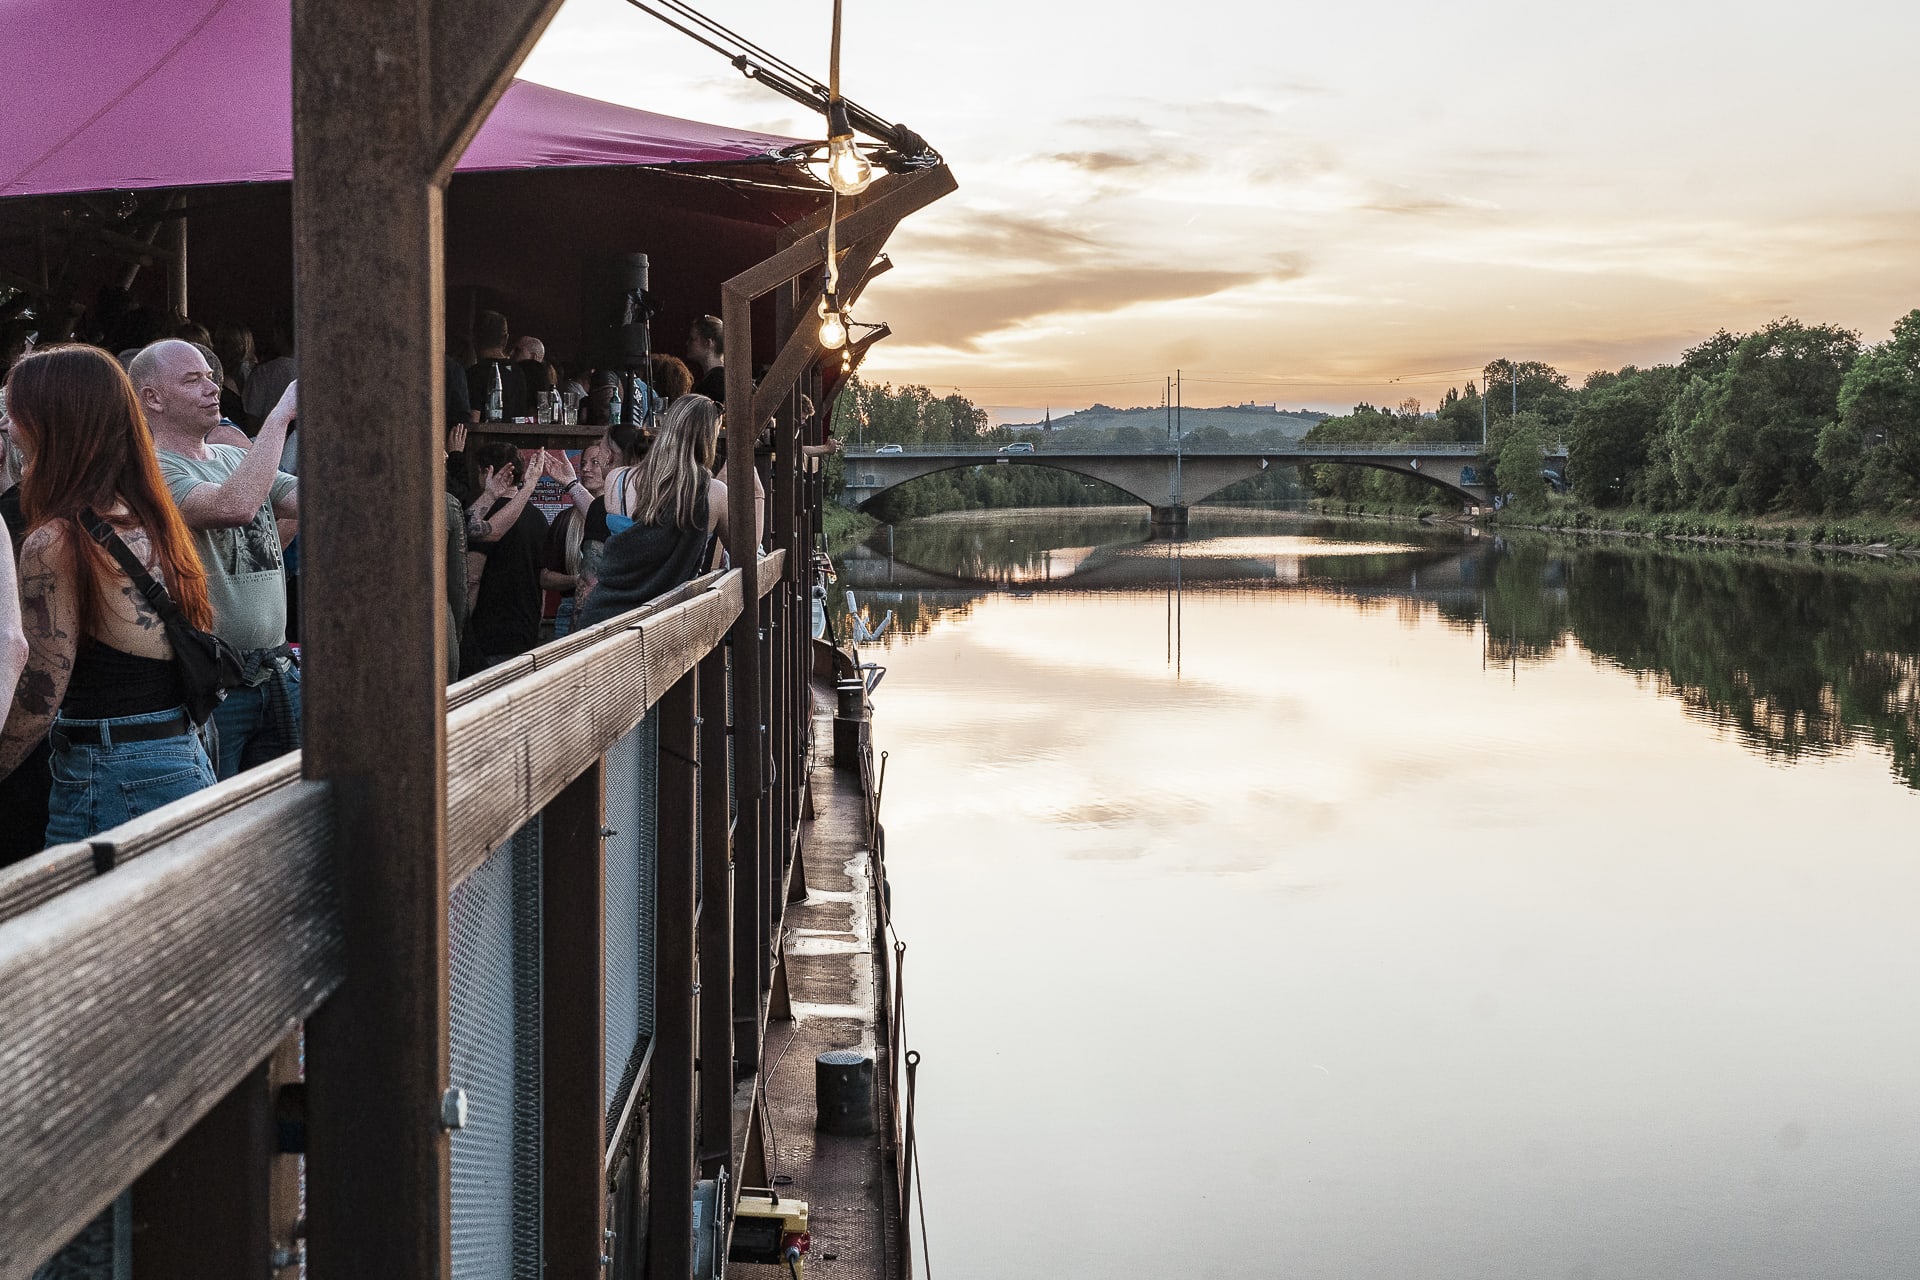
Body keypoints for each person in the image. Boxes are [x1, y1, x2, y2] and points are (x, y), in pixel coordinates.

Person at [0, 345, 219, 845]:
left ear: (51, 422)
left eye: (16, 413)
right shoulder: (150, 514)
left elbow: (39, 695)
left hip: (114, 771)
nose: (9, 427)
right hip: (180, 752)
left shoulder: (56, 540)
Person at [132, 339, 301, 779]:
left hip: (278, 671)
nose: (212, 388)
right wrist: (282, 413)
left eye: (210, 376)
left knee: (292, 821)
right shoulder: (152, 470)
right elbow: (234, 507)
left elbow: (315, 500)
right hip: (216, 688)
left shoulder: (234, 455)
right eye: (193, 380)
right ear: (152, 398)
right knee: (217, 826)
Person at [577, 395, 760, 627]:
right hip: (664, 624)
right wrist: (758, 494)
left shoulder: (618, 479)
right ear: (708, 438)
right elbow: (747, 552)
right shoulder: (712, 493)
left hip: (606, 616)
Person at [462, 442, 550, 673]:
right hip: (526, 628)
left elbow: (472, 577)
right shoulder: (539, 517)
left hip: (488, 632)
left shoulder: (486, 514)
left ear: (486, 471)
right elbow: (541, 579)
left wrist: (462, 626)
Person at [540, 443, 606, 638]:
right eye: (583, 463)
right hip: (569, 610)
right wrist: (577, 580)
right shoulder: (565, 519)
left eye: (595, 462)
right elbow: (545, 577)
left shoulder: (619, 514)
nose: (586, 469)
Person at [467, 310, 530, 421]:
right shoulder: (518, 373)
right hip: (515, 437)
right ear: (505, 339)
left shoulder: (473, 374)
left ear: (474, 338)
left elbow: (473, 419)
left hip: (484, 438)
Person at [686, 315, 727, 403]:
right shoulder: (722, 377)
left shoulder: (715, 382)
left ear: (708, 343)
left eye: (692, 339)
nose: (687, 343)